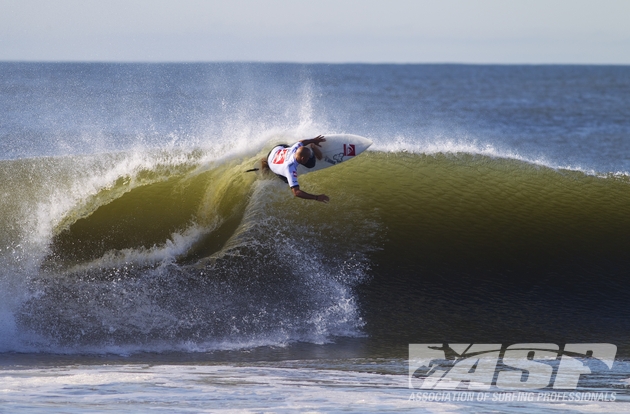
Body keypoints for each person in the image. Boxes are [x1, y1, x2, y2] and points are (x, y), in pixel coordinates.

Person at [261, 135, 330, 203]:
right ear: (303, 159)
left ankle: (310, 147)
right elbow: (296, 192)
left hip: (276, 149)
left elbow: (301, 142)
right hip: (271, 162)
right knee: (287, 180)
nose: (309, 158)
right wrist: (316, 197)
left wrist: (313, 140)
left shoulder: (294, 149)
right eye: (308, 157)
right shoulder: (290, 169)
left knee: (309, 162)